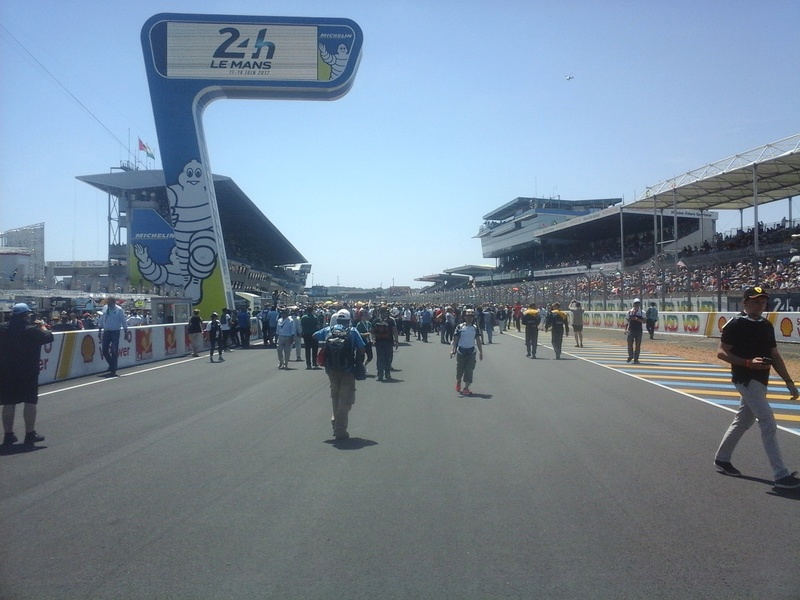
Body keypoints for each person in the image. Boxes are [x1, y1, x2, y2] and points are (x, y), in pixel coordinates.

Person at [713, 286, 800, 489]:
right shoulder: (735, 324)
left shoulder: (766, 325)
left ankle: (722, 458)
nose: (760, 305)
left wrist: (788, 381)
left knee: (743, 420)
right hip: (745, 378)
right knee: (768, 422)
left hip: (761, 380)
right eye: (755, 301)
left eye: (762, 301)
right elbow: (721, 352)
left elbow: (775, 355)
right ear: (745, 303)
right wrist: (746, 363)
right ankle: (781, 475)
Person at [1, 303, 54, 447]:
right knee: (30, 402)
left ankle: (8, 435)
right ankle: (30, 434)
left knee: (8, 403)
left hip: (6, 371)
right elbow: (49, 337)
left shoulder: (2, 329)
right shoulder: (32, 330)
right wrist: (42, 326)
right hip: (28, 371)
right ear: (25, 315)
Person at [313, 309, 366, 440]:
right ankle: (340, 428)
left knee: (335, 396)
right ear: (349, 320)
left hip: (331, 369)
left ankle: (335, 420)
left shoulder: (328, 330)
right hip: (347, 369)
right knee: (346, 399)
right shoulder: (352, 331)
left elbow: (314, 335)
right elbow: (361, 348)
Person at [450, 308, 483, 395]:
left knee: (469, 370)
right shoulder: (460, 327)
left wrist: (481, 352)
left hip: (471, 351)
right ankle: (458, 381)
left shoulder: (475, 328)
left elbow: (478, 340)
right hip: (461, 351)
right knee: (460, 369)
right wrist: (452, 350)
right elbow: (455, 339)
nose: (470, 318)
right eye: (468, 316)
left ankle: (466, 387)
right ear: (464, 317)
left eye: (472, 316)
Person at [97, 297, 130, 377]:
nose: (108, 303)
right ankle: (112, 365)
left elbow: (123, 321)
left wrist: (126, 331)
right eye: (108, 302)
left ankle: (113, 369)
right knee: (104, 350)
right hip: (106, 332)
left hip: (115, 332)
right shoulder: (105, 308)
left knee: (114, 351)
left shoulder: (119, 310)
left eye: (110, 302)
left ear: (114, 302)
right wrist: (100, 329)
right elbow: (102, 319)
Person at [371, 305, 399, 381]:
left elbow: (372, 331)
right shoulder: (391, 320)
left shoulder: (376, 320)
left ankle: (380, 374)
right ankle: (387, 373)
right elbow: (394, 331)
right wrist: (396, 341)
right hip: (388, 341)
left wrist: (373, 339)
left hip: (378, 342)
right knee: (388, 358)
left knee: (380, 358)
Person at [625, 298, 646, 364]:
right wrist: (626, 329)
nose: (636, 305)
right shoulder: (629, 312)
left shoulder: (642, 312)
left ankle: (636, 359)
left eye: (638, 304)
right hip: (631, 330)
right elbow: (627, 321)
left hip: (638, 331)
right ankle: (630, 356)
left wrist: (637, 319)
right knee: (629, 344)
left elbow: (644, 321)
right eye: (635, 304)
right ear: (633, 304)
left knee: (637, 345)